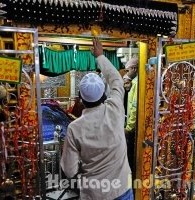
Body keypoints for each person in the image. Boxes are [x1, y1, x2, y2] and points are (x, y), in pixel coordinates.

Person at [60, 38, 133, 200]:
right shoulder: (115, 109)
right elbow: (116, 81)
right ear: (103, 94)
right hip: (123, 190)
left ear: (80, 98)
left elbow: (69, 170)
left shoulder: (74, 128)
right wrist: (100, 56)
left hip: (94, 193)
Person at [124, 57, 138, 174]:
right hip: (133, 126)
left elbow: (134, 108)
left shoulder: (137, 84)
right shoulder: (134, 83)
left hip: (133, 129)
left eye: (127, 70)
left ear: (134, 69)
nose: (126, 73)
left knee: (131, 155)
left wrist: (129, 128)